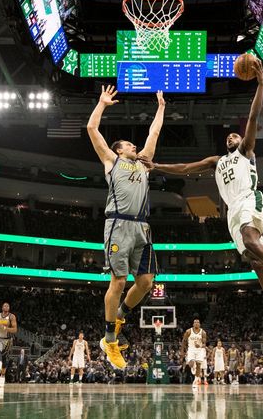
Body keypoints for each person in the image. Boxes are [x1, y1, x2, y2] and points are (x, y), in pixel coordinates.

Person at [140, 57, 263, 343]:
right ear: (224, 142)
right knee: (254, 260)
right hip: (232, 213)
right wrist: (156, 166)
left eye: (236, 134)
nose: (233, 137)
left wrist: (261, 84)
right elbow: (184, 169)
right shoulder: (216, 161)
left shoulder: (245, 150)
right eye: (229, 135)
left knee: (251, 238)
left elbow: (254, 117)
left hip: (249, 200)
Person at [87, 86, 165, 369]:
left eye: (134, 146)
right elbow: (92, 128)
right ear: (119, 149)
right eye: (129, 145)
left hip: (142, 228)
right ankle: (109, 340)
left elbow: (153, 134)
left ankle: (119, 314)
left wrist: (161, 108)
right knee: (118, 281)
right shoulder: (112, 161)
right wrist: (102, 104)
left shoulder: (143, 164)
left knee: (146, 282)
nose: (134, 147)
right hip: (118, 225)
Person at [0, 303, 18, 387]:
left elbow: (15, 330)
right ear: (2, 307)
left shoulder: (12, 317)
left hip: (7, 340)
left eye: (8, 306)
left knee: (5, 358)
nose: (6, 307)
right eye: (5, 306)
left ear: (9, 308)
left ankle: (2, 377)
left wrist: (6, 328)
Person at [181, 319, 207, 387]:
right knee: (191, 364)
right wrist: (182, 351)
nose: (196, 323)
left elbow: (204, 344)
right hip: (191, 349)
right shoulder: (188, 331)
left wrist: (200, 345)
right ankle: (194, 366)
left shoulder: (203, 332)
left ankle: (195, 380)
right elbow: (184, 341)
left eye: (198, 322)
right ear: (193, 324)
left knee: (199, 365)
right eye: (195, 322)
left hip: (199, 350)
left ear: (199, 324)